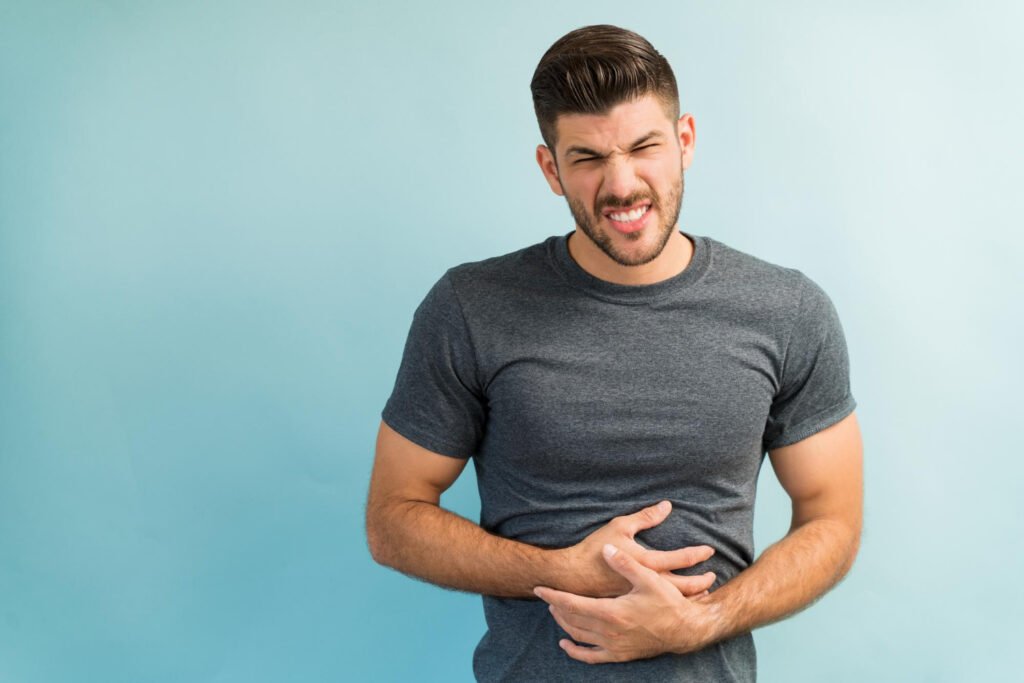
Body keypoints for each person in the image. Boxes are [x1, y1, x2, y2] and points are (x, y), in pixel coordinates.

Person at [365, 23, 863, 682]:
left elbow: (832, 518)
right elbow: (393, 518)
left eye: (643, 146)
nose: (622, 183)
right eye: (589, 158)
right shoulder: (470, 307)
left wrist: (702, 621)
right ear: (551, 169)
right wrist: (555, 569)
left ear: (684, 141)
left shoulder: (788, 312)